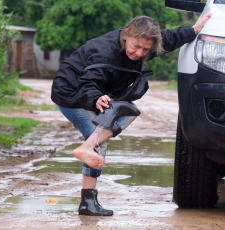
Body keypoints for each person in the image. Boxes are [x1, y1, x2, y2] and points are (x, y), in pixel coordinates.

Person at [51, 13, 212, 216]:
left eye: (145, 49)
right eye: (136, 46)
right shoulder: (104, 52)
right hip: (70, 93)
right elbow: (88, 82)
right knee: (98, 136)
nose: (139, 53)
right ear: (126, 34)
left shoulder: (143, 47)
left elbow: (170, 38)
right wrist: (95, 98)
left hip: (98, 91)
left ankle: (87, 147)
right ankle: (88, 200)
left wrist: (194, 30)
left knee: (128, 111)